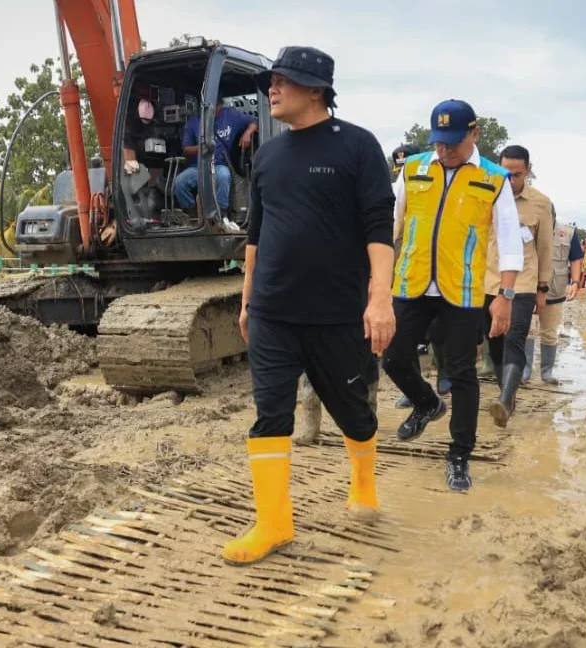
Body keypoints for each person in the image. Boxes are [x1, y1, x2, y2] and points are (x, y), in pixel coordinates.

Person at [225, 46, 395, 566]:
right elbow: (257, 231)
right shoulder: (270, 155)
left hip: (337, 313)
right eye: (270, 81)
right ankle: (274, 523)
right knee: (270, 413)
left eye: (282, 81)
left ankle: (363, 479)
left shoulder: (358, 146)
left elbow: (377, 226)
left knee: (353, 412)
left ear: (315, 90)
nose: (271, 90)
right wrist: (248, 297)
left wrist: (380, 298)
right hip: (275, 311)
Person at [382, 98, 521, 493]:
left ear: (474, 135)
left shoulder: (494, 179)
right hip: (411, 282)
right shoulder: (413, 168)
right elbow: (391, 223)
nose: (443, 151)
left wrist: (505, 295)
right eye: (438, 143)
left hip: (460, 289)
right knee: (392, 357)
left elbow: (509, 242)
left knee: (461, 373)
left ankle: (459, 453)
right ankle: (427, 403)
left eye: (452, 143)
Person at [482, 145, 554, 428]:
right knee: (495, 342)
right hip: (488, 281)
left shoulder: (540, 203)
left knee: (514, 338)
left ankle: (505, 397)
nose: (511, 180)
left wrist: (543, 288)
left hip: (523, 282)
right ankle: (507, 396)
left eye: (517, 174)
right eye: (505, 173)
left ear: (528, 171)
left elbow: (545, 247)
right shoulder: (485, 196)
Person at [175, 90, 258, 226]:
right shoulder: (193, 122)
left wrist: (248, 133)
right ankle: (193, 216)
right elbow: (186, 149)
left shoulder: (230, 115)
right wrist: (201, 148)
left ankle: (221, 215)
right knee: (179, 183)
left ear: (221, 105)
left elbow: (254, 121)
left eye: (216, 108)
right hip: (198, 167)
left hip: (219, 164)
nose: (214, 111)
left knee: (224, 176)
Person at [524, 212, 584, 384]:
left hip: (554, 289)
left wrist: (575, 282)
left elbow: (575, 259)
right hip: (528, 288)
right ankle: (525, 370)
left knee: (549, 332)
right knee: (526, 330)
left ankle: (547, 372)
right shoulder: (526, 229)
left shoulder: (567, 233)